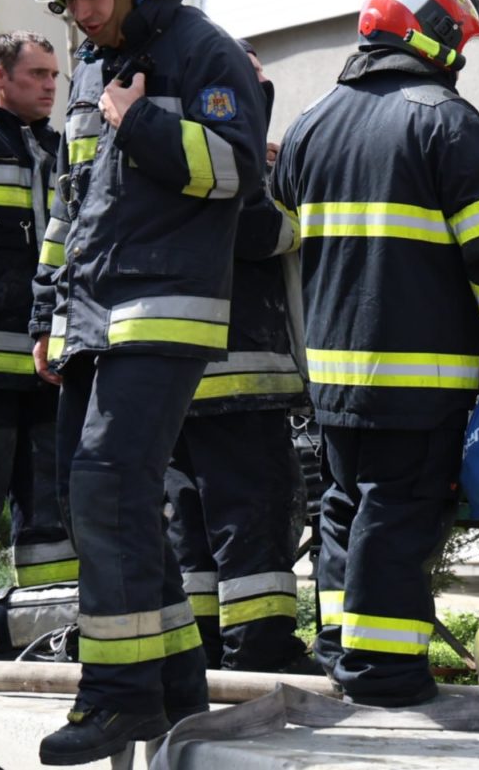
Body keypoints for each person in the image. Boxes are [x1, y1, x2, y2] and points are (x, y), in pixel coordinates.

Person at [28, 0, 265, 764]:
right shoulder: (93, 64)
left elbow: (237, 169)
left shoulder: (202, 49)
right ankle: (173, 687)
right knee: (102, 495)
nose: (81, 14)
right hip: (90, 314)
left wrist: (145, 123)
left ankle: (117, 695)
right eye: (69, 3)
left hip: (164, 308)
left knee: (107, 484)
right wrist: (48, 310)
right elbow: (71, 201)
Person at [272, 0, 479, 708]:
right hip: (419, 375)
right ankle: (384, 673)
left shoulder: (309, 124)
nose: (462, 59)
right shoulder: (446, 121)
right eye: (460, 44)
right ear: (435, 38)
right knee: (398, 510)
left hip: (332, 376)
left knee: (343, 507)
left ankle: (341, 650)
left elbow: (285, 242)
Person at [164, 39, 311, 674]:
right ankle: (261, 653)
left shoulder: (167, 142)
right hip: (240, 376)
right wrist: (295, 208)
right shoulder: (229, 153)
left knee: (192, 523)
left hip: (177, 375)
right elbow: (262, 232)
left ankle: (201, 651)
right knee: (253, 516)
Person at [0, 32, 77, 591]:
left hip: (49, 363)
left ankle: (45, 621)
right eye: (37, 74)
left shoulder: (61, 148)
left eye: (54, 76)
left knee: (50, 515)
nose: (50, 87)